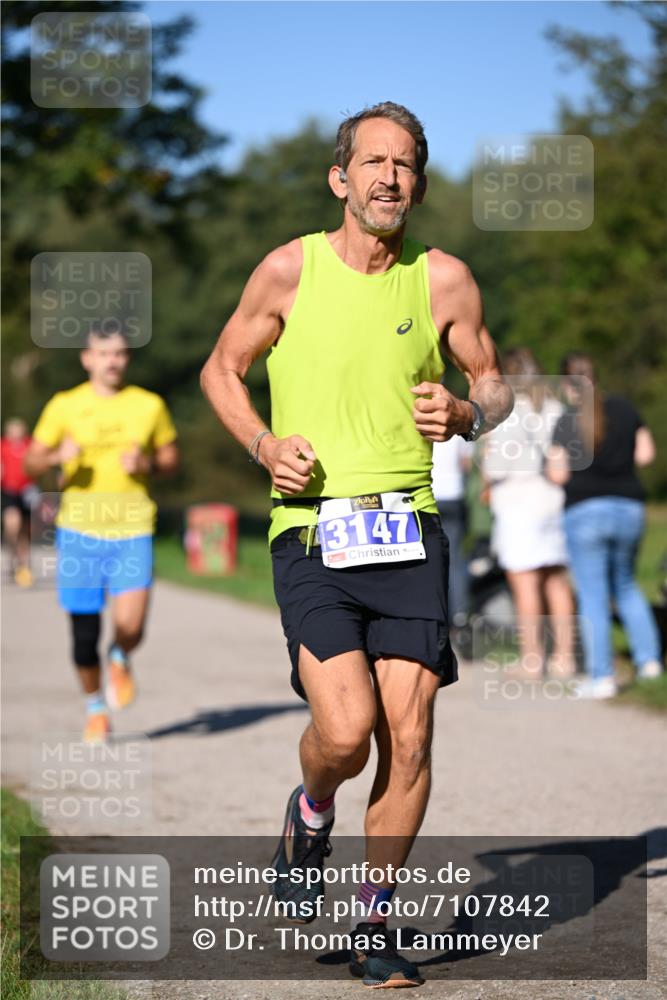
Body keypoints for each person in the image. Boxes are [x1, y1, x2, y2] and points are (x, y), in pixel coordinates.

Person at [201, 101, 512, 988]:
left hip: (407, 526)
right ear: (341, 178)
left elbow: (493, 385)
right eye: (372, 162)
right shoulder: (287, 271)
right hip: (313, 528)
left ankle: (377, 924)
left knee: (408, 738)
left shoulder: (442, 280)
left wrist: (463, 413)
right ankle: (310, 809)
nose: (388, 177)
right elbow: (220, 369)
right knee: (346, 731)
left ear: (417, 182)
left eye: (404, 164)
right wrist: (263, 444)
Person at [24, 327, 179, 741]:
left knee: (131, 625)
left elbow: (169, 458)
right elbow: (30, 463)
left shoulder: (149, 405)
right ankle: (95, 708)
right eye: (103, 353)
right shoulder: (65, 405)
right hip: (78, 530)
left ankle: (121, 655)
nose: (112, 361)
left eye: (120, 353)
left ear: (127, 359)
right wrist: (58, 454)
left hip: (132, 527)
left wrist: (146, 463)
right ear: (87, 358)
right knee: (84, 634)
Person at [548, 352, 662, 698]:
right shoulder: (625, 409)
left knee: (593, 595)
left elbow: (558, 473)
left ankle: (602, 677)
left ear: (569, 385)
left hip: (585, 512)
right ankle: (650, 663)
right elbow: (645, 455)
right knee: (626, 585)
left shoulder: (567, 421)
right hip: (629, 507)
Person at [481, 349, 575, 678]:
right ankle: (564, 658)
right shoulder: (554, 408)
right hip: (551, 497)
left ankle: (532, 659)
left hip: (517, 501)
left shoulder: (505, 414)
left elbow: (495, 464)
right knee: (556, 581)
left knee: (525, 584)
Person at [431, 435, 473, 634]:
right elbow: (466, 463)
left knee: (429, 559)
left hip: (428, 494)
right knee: (455, 559)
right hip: (453, 494)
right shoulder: (456, 424)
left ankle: (435, 615)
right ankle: (460, 614)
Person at [1, 418, 37, 587]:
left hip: (28, 492)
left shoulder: (30, 444)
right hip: (9, 491)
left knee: (26, 531)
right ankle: (12, 554)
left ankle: (23, 564)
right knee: (12, 524)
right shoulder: (3, 446)